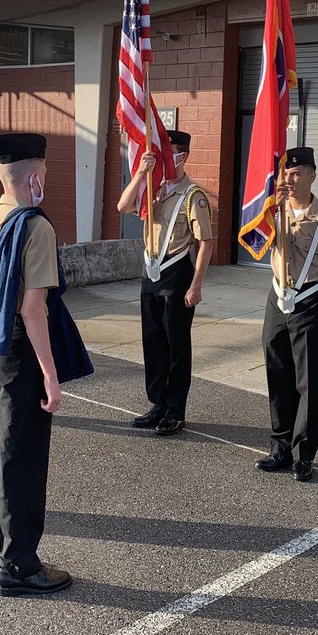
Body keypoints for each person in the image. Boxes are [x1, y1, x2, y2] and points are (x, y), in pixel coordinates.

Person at [0, 133, 71, 598]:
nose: (46, 179)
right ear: (34, 176)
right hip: (20, 350)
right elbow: (33, 309)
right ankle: (20, 565)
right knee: (21, 456)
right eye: (45, 172)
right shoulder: (35, 227)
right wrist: (50, 372)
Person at [254, 146, 318, 483]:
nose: (292, 179)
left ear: (313, 175)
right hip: (277, 298)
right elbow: (253, 241)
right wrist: (273, 204)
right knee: (277, 375)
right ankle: (279, 448)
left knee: (307, 383)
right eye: (287, 173)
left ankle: (303, 456)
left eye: (298, 174)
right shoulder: (273, 211)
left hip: (310, 302)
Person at [116, 130, 213, 436]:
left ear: (182, 157)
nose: (162, 160)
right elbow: (122, 206)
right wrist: (142, 172)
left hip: (176, 272)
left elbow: (205, 243)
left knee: (176, 346)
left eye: (167, 154)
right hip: (151, 271)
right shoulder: (152, 188)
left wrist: (196, 285)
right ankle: (157, 403)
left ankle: (175, 410)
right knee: (152, 341)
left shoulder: (193, 197)